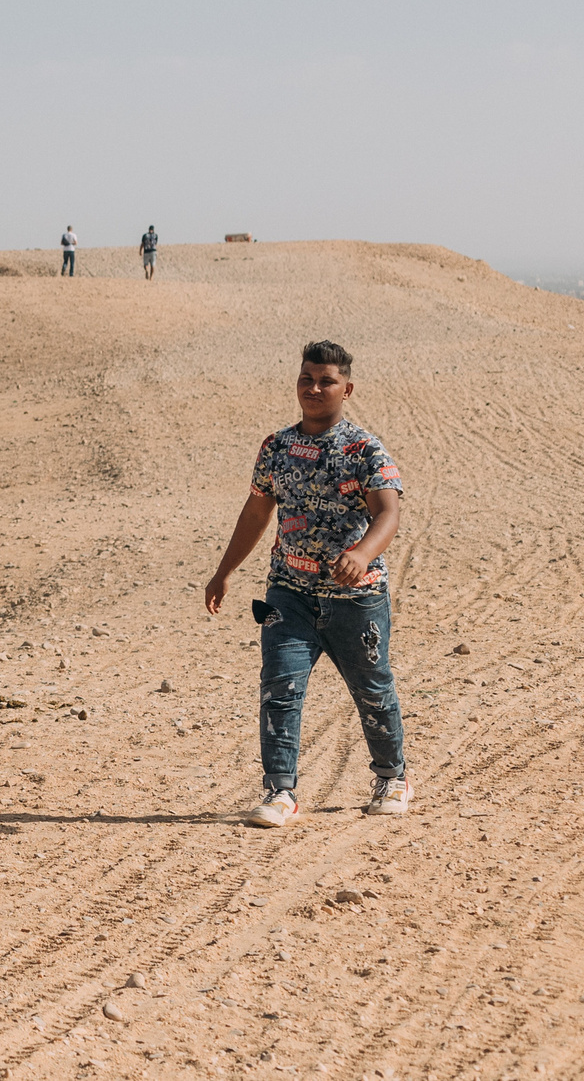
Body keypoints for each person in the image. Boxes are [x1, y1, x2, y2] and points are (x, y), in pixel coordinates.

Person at [204, 340, 411, 827]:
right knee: (279, 688)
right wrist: (224, 570)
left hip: (355, 599)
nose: (314, 389)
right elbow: (257, 510)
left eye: (326, 381)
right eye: (306, 379)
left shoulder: (364, 449)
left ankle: (392, 777)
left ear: (347, 389)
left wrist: (361, 555)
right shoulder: (276, 447)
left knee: (372, 689)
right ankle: (280, 793)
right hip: (288, 593)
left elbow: (389, 511)